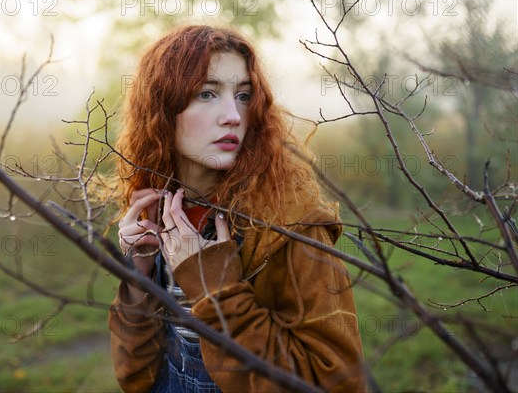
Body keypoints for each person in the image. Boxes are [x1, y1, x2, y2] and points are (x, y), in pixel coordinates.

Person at [108, 24, 366, 392]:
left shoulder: (291, 226)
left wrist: (218, 293)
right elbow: (136, 378)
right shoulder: (157, 207)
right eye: (207, 94)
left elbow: (337, 382)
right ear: (162, 106)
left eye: (244, 96)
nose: (233, 115)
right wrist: (139, 277)